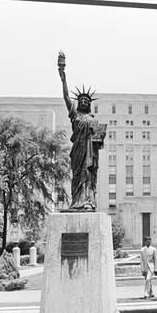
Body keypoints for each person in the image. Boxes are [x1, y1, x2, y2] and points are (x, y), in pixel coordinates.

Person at [58, 52, 104, 210]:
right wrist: (63, 78)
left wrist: (99, 138)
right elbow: (65, 97)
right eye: (81, 100)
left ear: (89, 104)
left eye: (87, 100)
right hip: (78, 150)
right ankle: (76, 202)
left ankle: (88, 202)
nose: (84, 101)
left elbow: (98, 140)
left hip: (90, 153)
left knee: (88, 176)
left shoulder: (92, 119)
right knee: (77, 176)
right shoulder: (75, 114)